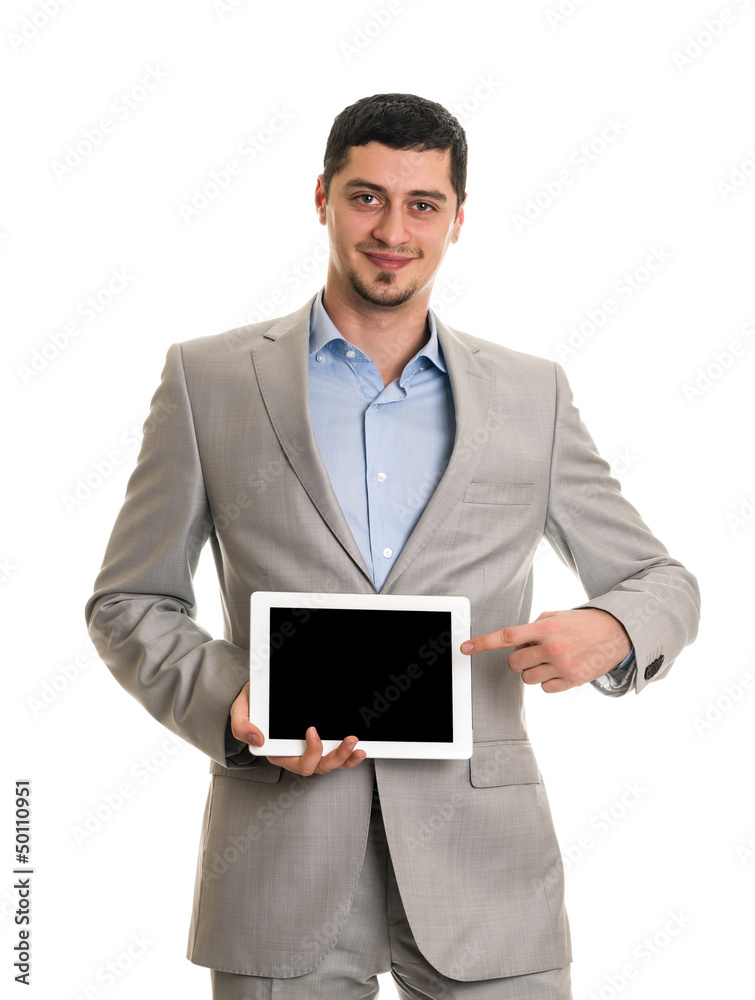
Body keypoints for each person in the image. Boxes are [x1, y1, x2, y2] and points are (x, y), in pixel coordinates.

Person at [85, 93, 700, 1000]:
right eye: (367, 197)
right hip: (279, 861)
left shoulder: (530, 394)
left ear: (457, 221)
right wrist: (233, 708)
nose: (392, 229)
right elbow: (129, 600)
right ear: (323, 198)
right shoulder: (206, 379)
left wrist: (611, 626)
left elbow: (660, 579)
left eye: (423, 205)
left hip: (488, 871)